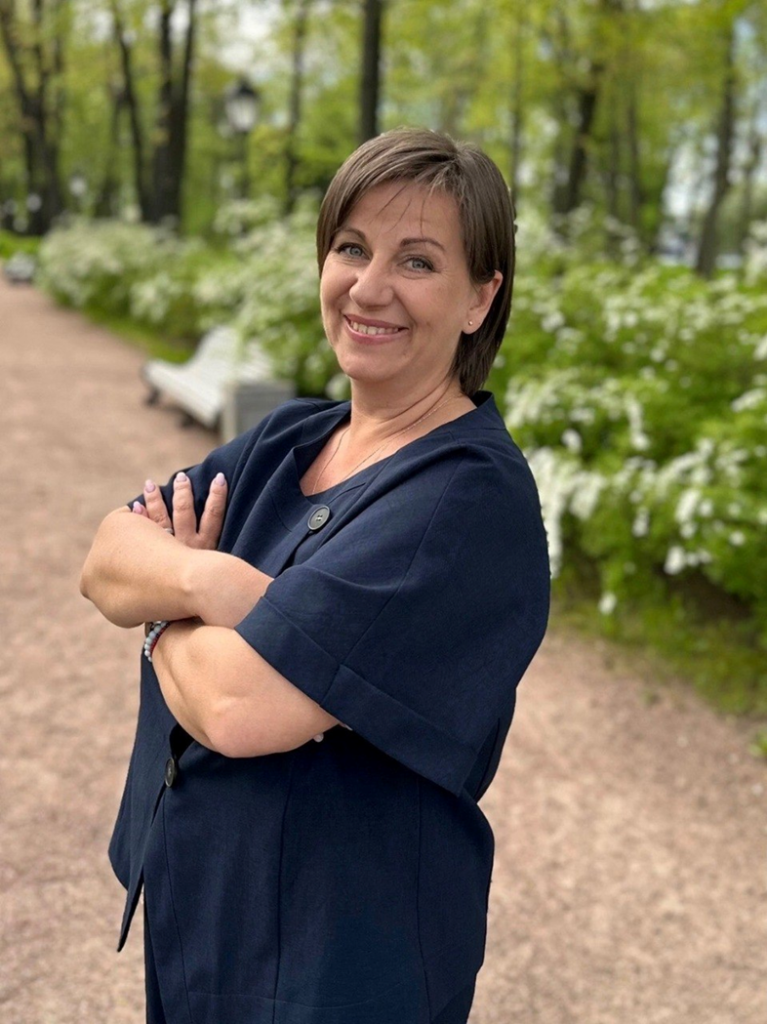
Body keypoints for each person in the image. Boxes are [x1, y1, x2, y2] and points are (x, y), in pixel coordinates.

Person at [80, 126, 550, 1024]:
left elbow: (238, 708)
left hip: (336, 965)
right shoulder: (290, 437)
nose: (368, 288)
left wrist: (162, 611)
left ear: (479, 298)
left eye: (417, 261)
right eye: (351, 248)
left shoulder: (465, 502)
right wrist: (211, 585)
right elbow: (106, 559)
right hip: (201, 916)